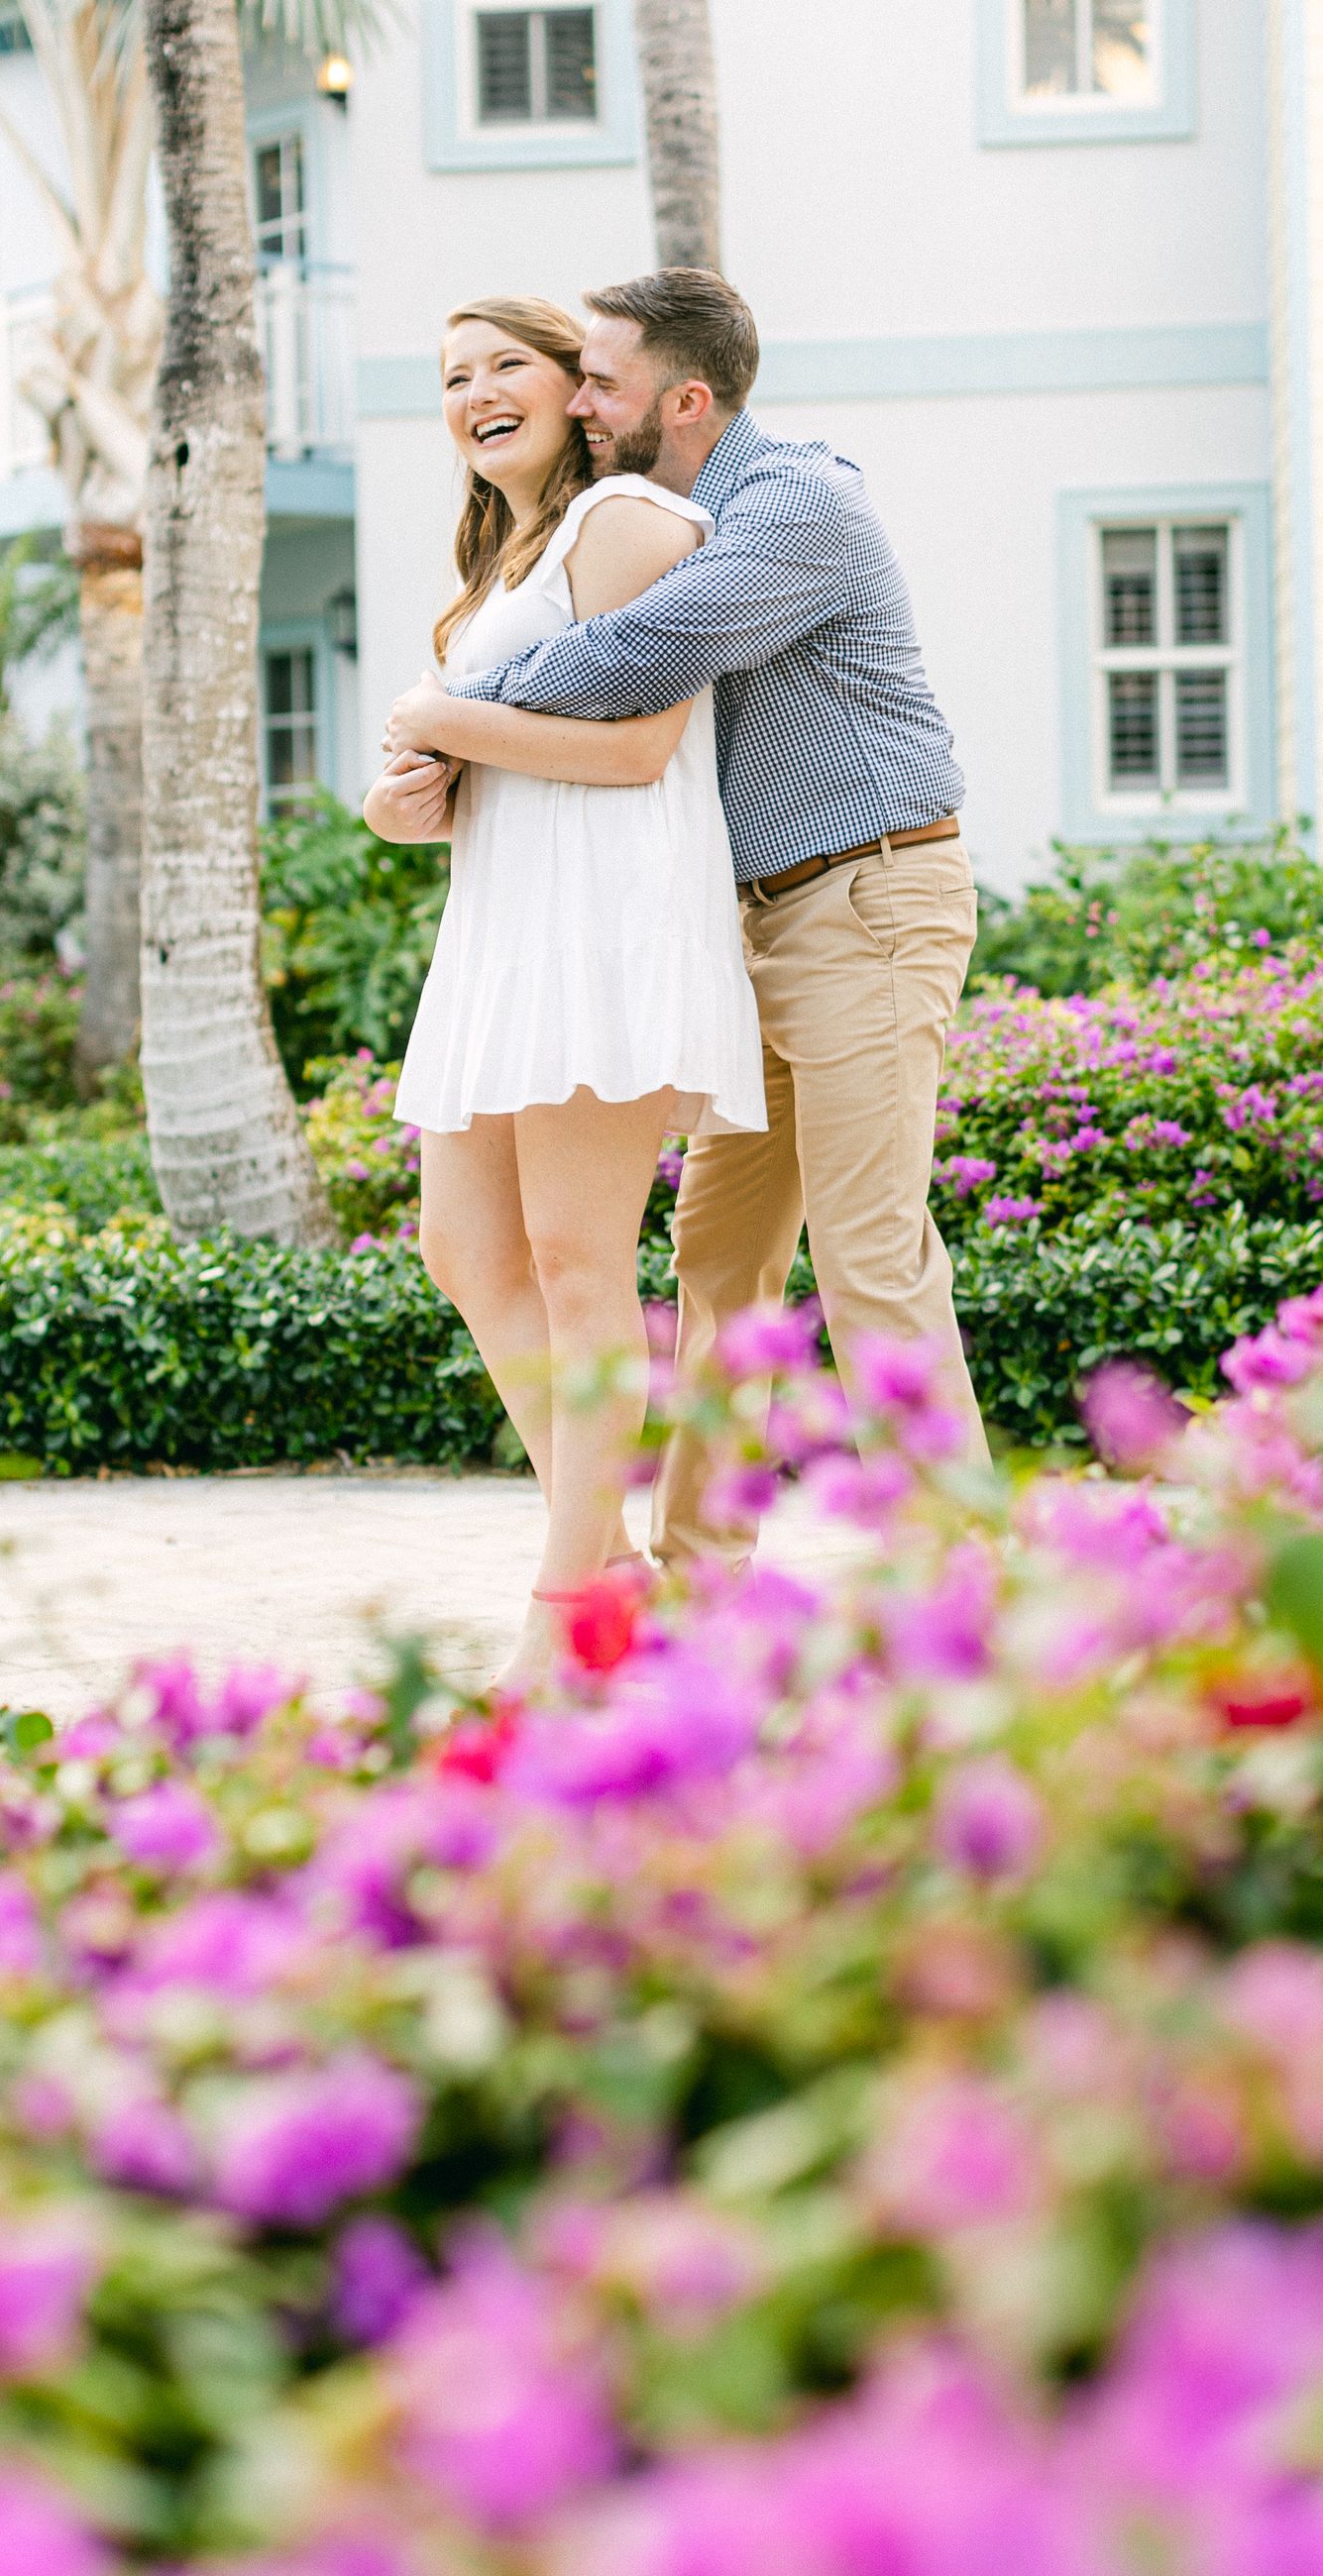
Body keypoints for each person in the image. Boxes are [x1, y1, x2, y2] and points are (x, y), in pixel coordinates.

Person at [385, 267, 987, 1573]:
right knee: (719, 1265)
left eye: (599, 379)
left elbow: (632, 667)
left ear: (687, 396)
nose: (580, 400)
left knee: (872, 1259)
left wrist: (447, 709)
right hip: (746, 923)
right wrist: (453, 730)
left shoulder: (790, 507)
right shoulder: (646, 515)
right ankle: (698, 1581)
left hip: (865, 897)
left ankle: (974, 1592)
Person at [363, 294, 763, 1682]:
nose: (475, 392)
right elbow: (476, 763)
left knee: (583, 1266)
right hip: (505, 936)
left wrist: (440, 720)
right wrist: (408, 789)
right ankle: (609, 1583)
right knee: (466, 1253)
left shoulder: (624, 524)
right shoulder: (495, 576)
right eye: (452, 374)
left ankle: (562, 1631)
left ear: (575, 388)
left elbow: (641, 747)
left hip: (610, 928)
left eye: (504, 366)